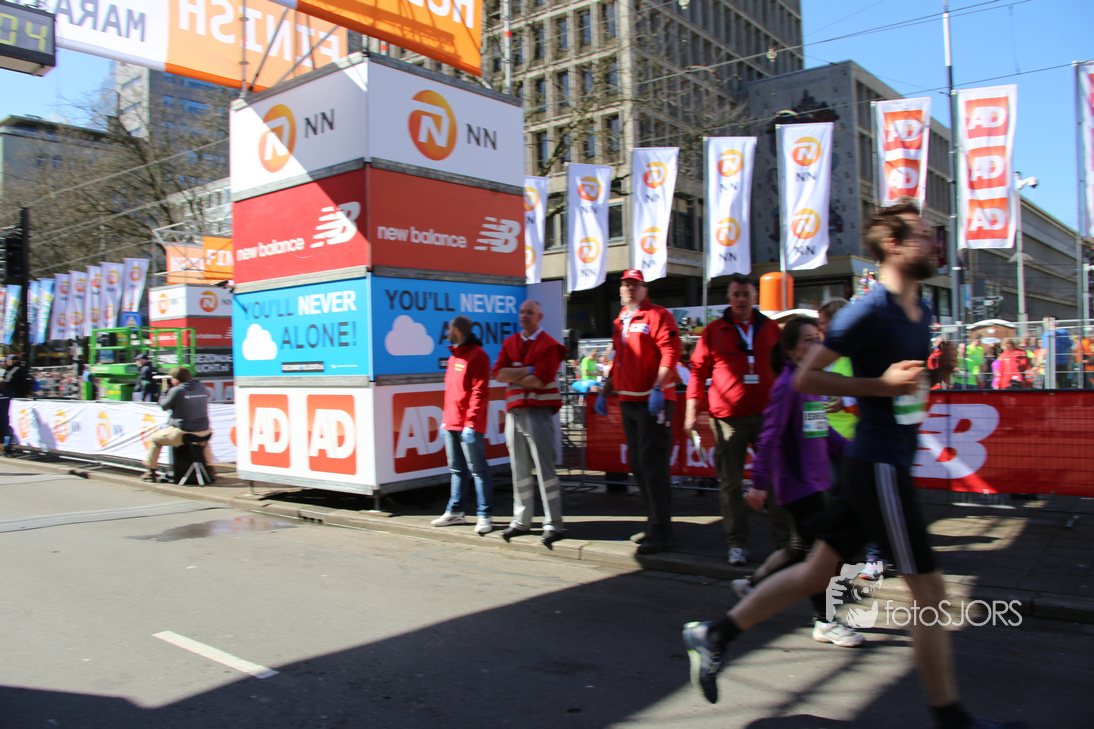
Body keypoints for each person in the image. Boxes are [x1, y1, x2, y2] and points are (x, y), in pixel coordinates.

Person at [682, 199, 1026, 729]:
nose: (934, 241)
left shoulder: (920, 312)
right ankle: (952, 719)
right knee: (929, 591)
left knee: (816, 570)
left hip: (879, 462)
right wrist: (879, 386)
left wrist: (933, 376)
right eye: (922, 233)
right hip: (879, 465)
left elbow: (904, 390)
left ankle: (715, 634)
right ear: (893, 244)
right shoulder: (867, 311)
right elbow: (807, 377)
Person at [731, 316, 862, 647]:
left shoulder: (808, 383)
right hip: (800, 483)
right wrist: (759, 483)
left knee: (801, 548)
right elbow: (769, 436)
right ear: (790, 349)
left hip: (815, 480)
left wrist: (854, 452)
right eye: (808, 339)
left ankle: (752, 585)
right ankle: (825, 621)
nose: (816, 344)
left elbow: (821, 430)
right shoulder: (787, 386)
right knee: (821, 554)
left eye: (818, 338)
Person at [683, 273, 788, 566]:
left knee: (776, 479)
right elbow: (697, 372)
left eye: (746, 294)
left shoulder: (769, 328)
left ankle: (784, 544)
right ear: (729, 299)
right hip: (727, 420)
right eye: (736, 294)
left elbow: (785, 368)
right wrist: (691, 412)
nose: (741, 299)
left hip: (767, 418)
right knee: (730, 484)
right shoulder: (714, 330)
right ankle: (737, 543)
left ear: (755, 298)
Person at [594, 269, 681, 555]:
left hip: (652, 400)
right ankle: (654, 523)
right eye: (626, 285)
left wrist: (658, 387)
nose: (630, 289)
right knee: (639, 466)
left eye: (635, 284)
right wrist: (605, 392)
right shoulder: (620, 319)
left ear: (645, 289)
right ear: (620, 290)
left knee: (653, 466)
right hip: (628, 400)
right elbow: (617, 358)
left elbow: (670, 353)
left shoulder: (658, 315)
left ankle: (662, 532)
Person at [493, 300, 569, 548]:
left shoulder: (550, 345)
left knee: (545, 471)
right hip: (514, 414)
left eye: (530, 312)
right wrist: (527, 369)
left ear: (540, 316)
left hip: (538, 413)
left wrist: (514, 373)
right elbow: (499, 374)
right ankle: (521, 520)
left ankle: (553, 523)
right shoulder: (510, 343)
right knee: (519, 470)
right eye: (522, 312)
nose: (524, 316)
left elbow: (540, 380)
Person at [431, 316, 494, 535]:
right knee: (457, 470)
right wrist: (445, 420)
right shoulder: (454, 357)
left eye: (449, 328)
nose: (446, 332)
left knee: (478, 470)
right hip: (452, 422)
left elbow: (479, 391)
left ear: (457, 330)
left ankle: (484, 515)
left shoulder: (478, 355)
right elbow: (451, 393)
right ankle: (455, 511)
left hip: (469, 425)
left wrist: (471, 423)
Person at [143, 366, 214, 483]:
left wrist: (164, 390)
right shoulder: (201, 387)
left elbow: (163, 406)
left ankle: (150, 472)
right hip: (205, 431)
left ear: (176, 379)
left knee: (155, 439)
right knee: (203, 443)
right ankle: (210, 469)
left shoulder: (176, 390)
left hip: (183, 433)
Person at [2, 353, 32, 455]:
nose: (6, 362)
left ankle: (6, 447)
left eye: (8, 360)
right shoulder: (10, 370)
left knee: (8, 426)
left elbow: (20, 384)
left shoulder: (18, 370)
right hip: (11, 400)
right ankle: (6, 447)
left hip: (16, 399)